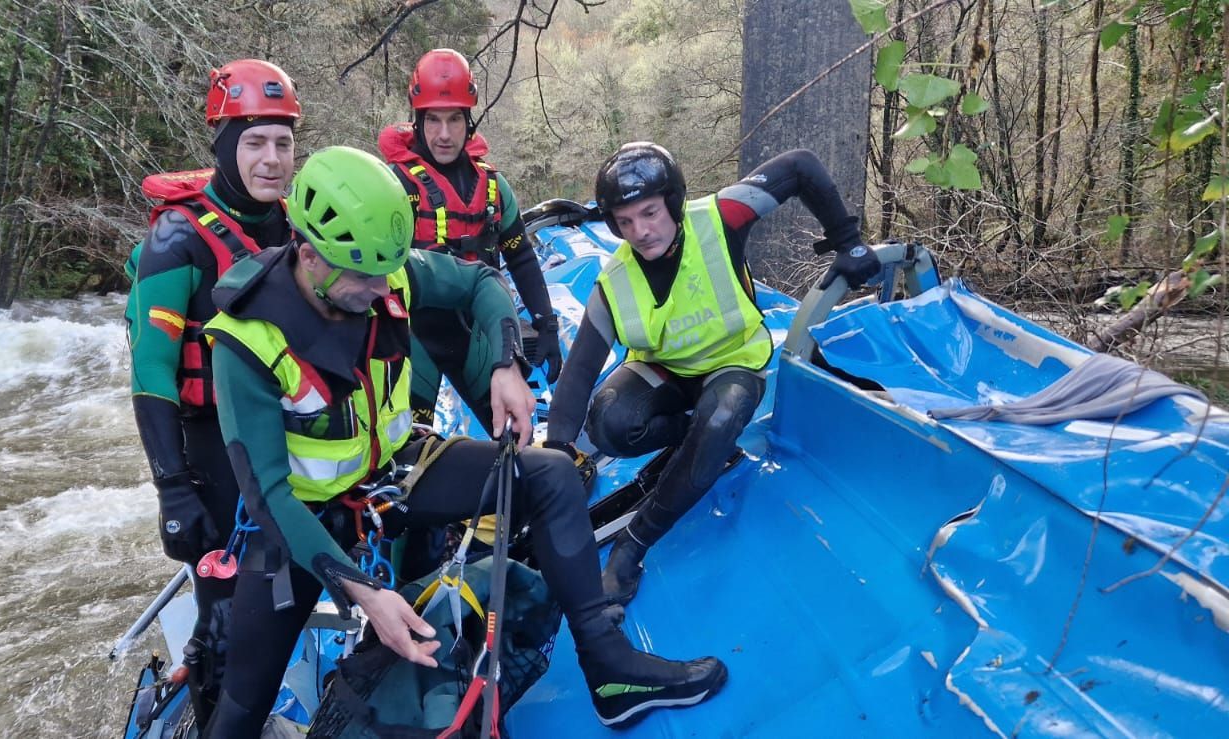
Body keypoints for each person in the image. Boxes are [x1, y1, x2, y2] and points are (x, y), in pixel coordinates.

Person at [201, 146, 728, 735]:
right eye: (365, 278)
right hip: (304, 521)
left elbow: (479, 281)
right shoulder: (245, 339)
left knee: (552, 473)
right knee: (242, 701)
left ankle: (609, 671)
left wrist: (505, 364)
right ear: (311, 256)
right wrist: (366, 592)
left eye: (386, 272)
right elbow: (269, 493)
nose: (382, 288)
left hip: (392, 475)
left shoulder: (385, 268)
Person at [542, 143, 881, 607]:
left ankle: (635, 544)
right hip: (666, 371)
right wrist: (556, 455)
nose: (640, 232)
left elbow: (799, 164)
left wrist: (848, 242)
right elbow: (579, 373)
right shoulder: (614, 281)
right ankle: (702, 443)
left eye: (650, 213)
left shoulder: (721, 218)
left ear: (673, 202)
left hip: (733, 361)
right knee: (608, 422)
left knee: (719, 418)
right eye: (625, 222)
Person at [122, 58, 299, 723]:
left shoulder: (296, 222)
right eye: (255, 141)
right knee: (229, 616)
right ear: (223, 144)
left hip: (278, 433)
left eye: (283, 142)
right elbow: (152, 371)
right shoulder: (176, 240)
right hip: (206, 446)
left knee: (282, 586)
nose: (272, 158)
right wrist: (173, 487)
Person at [377, 48, 562, 429]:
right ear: (417, 121)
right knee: (408, 448)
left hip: (474, 333)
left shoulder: (493, 186)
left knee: (512, 433)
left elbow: (521, 257)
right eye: (433, 120)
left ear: (469, 121)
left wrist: (546, 324)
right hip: (413, 337)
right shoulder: (394, 187)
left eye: (455, 120)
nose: (444, 134)